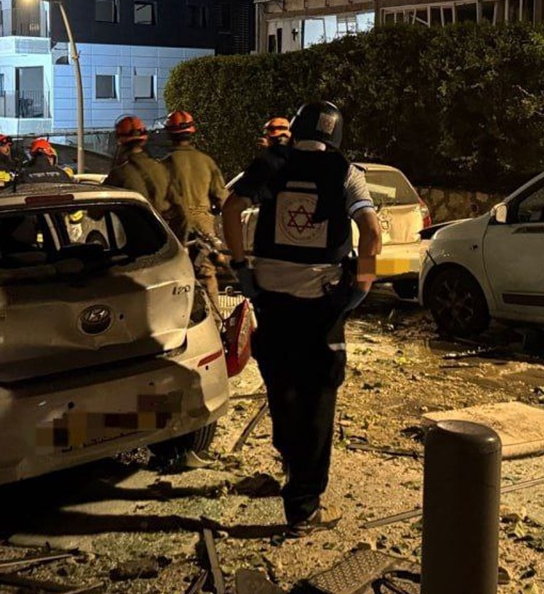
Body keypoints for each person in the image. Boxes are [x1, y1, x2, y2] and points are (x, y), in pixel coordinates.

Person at [221, 102, 382, 535]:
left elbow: (230, 209)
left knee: (281, 385)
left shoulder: (272, 163)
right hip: (322, 305)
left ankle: (291, 462)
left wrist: (240, 267)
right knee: (317, 398)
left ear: (295, 129)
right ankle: (304, 506)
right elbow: (371, 231)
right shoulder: (347, 173)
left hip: (271, 300)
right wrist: (363, 284)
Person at [160, 110, 229, 311]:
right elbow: (223, 200)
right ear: (192, 132)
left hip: (176, 233)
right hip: (204, 232)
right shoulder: (206, 162)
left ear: (169, 134)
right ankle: (214, 324)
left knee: (175, 284)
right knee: (206, 279)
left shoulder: (164, 166)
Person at [103, 115, 170, 215]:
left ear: (120, 140)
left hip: (134, 225)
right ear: (145, 138)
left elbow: (95, 213)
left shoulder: (119, 173)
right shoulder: (162, 168)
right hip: (161, 224)